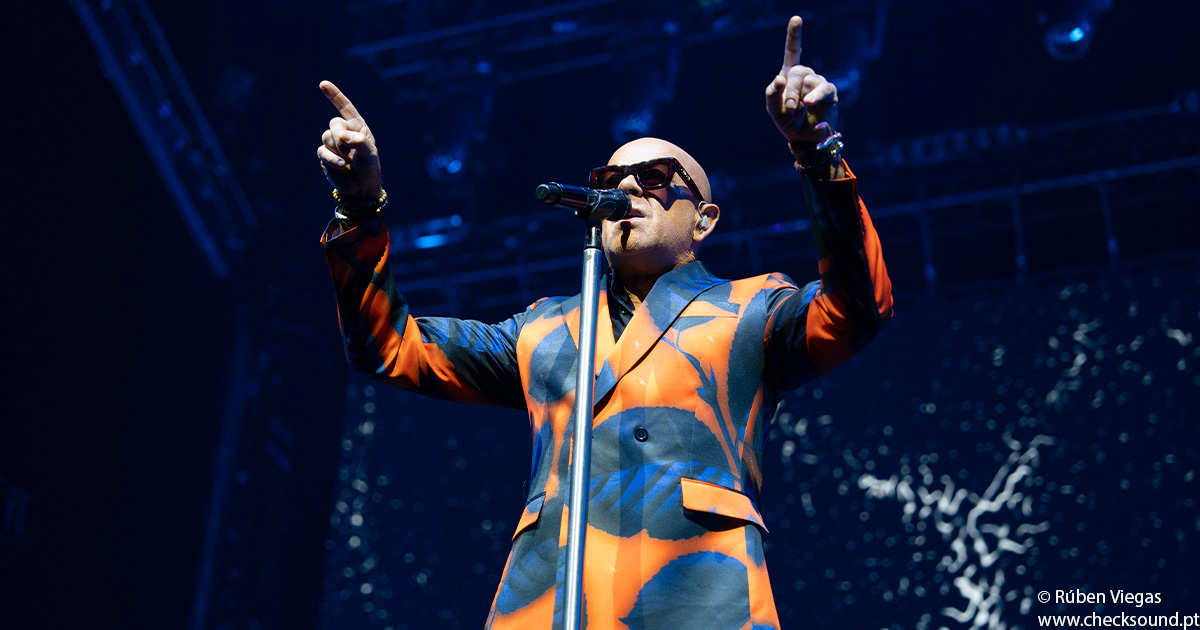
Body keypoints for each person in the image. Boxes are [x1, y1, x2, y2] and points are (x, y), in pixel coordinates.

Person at [317, 16, 892, 630]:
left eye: (654, 179)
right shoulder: (543, 329)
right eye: (611, 180)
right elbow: (389, 346)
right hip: (550, 603)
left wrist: (817, 153)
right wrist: (359, 206)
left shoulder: (751, 308)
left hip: (700, 598)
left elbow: (857, 308)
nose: (628, 189)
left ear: (704, 221)